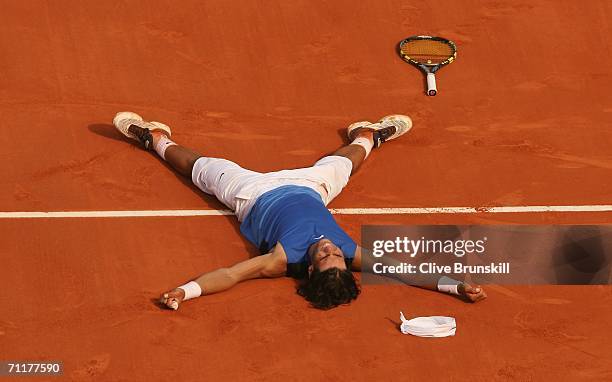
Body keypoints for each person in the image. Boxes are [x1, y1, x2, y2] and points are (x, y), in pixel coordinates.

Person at [112, 112, 487, 310]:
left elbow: (229, 275)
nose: (331, 248)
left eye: (326, 256)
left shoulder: (279, 260)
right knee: (345, 164)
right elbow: (404, 271)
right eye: (337, 254)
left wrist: (185, 290)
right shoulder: (351, 255)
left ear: (310, 269)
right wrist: (455, 286)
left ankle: (153, 137)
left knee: (200, 168)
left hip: (251, 194)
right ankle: (369, 134)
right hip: (311, 189)